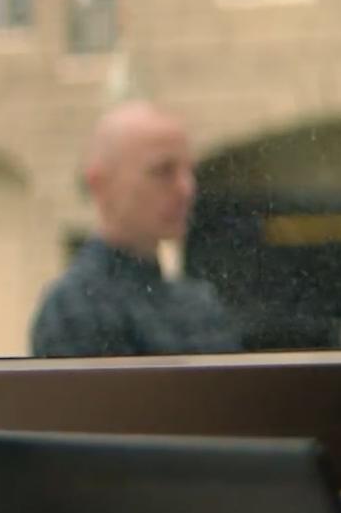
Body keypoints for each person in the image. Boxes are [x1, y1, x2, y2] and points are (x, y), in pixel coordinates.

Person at [29, 100, 242, 357]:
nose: (186, 189)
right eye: (163, 171)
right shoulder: (76, 307)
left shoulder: (197, 302)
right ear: (100, 184)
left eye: (189, 172)